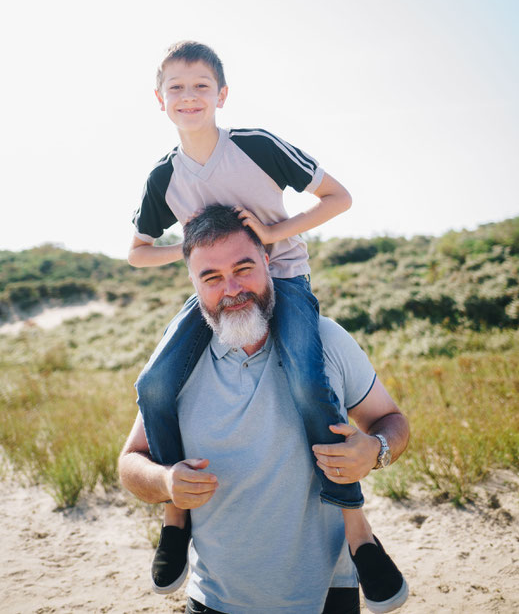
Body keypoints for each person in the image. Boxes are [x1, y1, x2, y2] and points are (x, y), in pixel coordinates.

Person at [128, 41, 407, 611]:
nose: (189, 96)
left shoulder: (254, 146)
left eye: (201, 85)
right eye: (176, 87)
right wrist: (185, 250)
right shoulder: (164, 175)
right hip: (216, 299)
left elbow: (339, 197)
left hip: (285, 284)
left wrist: (272, 234)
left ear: (222, 94)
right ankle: (176, 518)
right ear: (159, 100)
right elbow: (136, 252)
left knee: (309, 384)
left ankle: (358, 531)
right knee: (153, 385)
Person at [119, 205, 410, 614]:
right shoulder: (177, 366)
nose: (232, 288)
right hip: (212, 599)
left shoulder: (327, 341)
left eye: (243, 268)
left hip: (328, 595)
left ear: (268, 262)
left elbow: (391, 421)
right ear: (193, 283)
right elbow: (131, 462)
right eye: (212, 277)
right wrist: (167, 483)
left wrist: (376, 450)